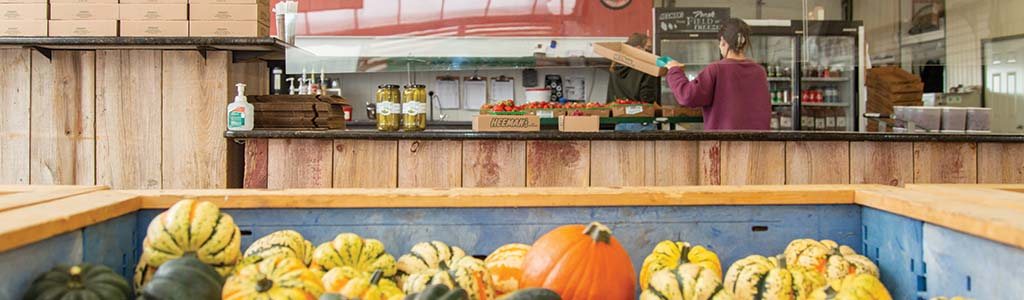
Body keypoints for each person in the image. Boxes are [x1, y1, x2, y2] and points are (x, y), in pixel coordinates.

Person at [664, 18, 770, 130]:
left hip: (723, 143)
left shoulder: (716, 69)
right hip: (758, 143)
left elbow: (687, 96)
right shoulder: (759, 71)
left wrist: (674, 69)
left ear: (723, 42)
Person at [606, 33, 659, 104]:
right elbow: (647, 99)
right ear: (638, 48)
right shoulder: (646, 69)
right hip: (638, 112)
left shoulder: (615, 66)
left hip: (616, 111)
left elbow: (611, 96)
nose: (651, 52)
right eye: (649, 47)